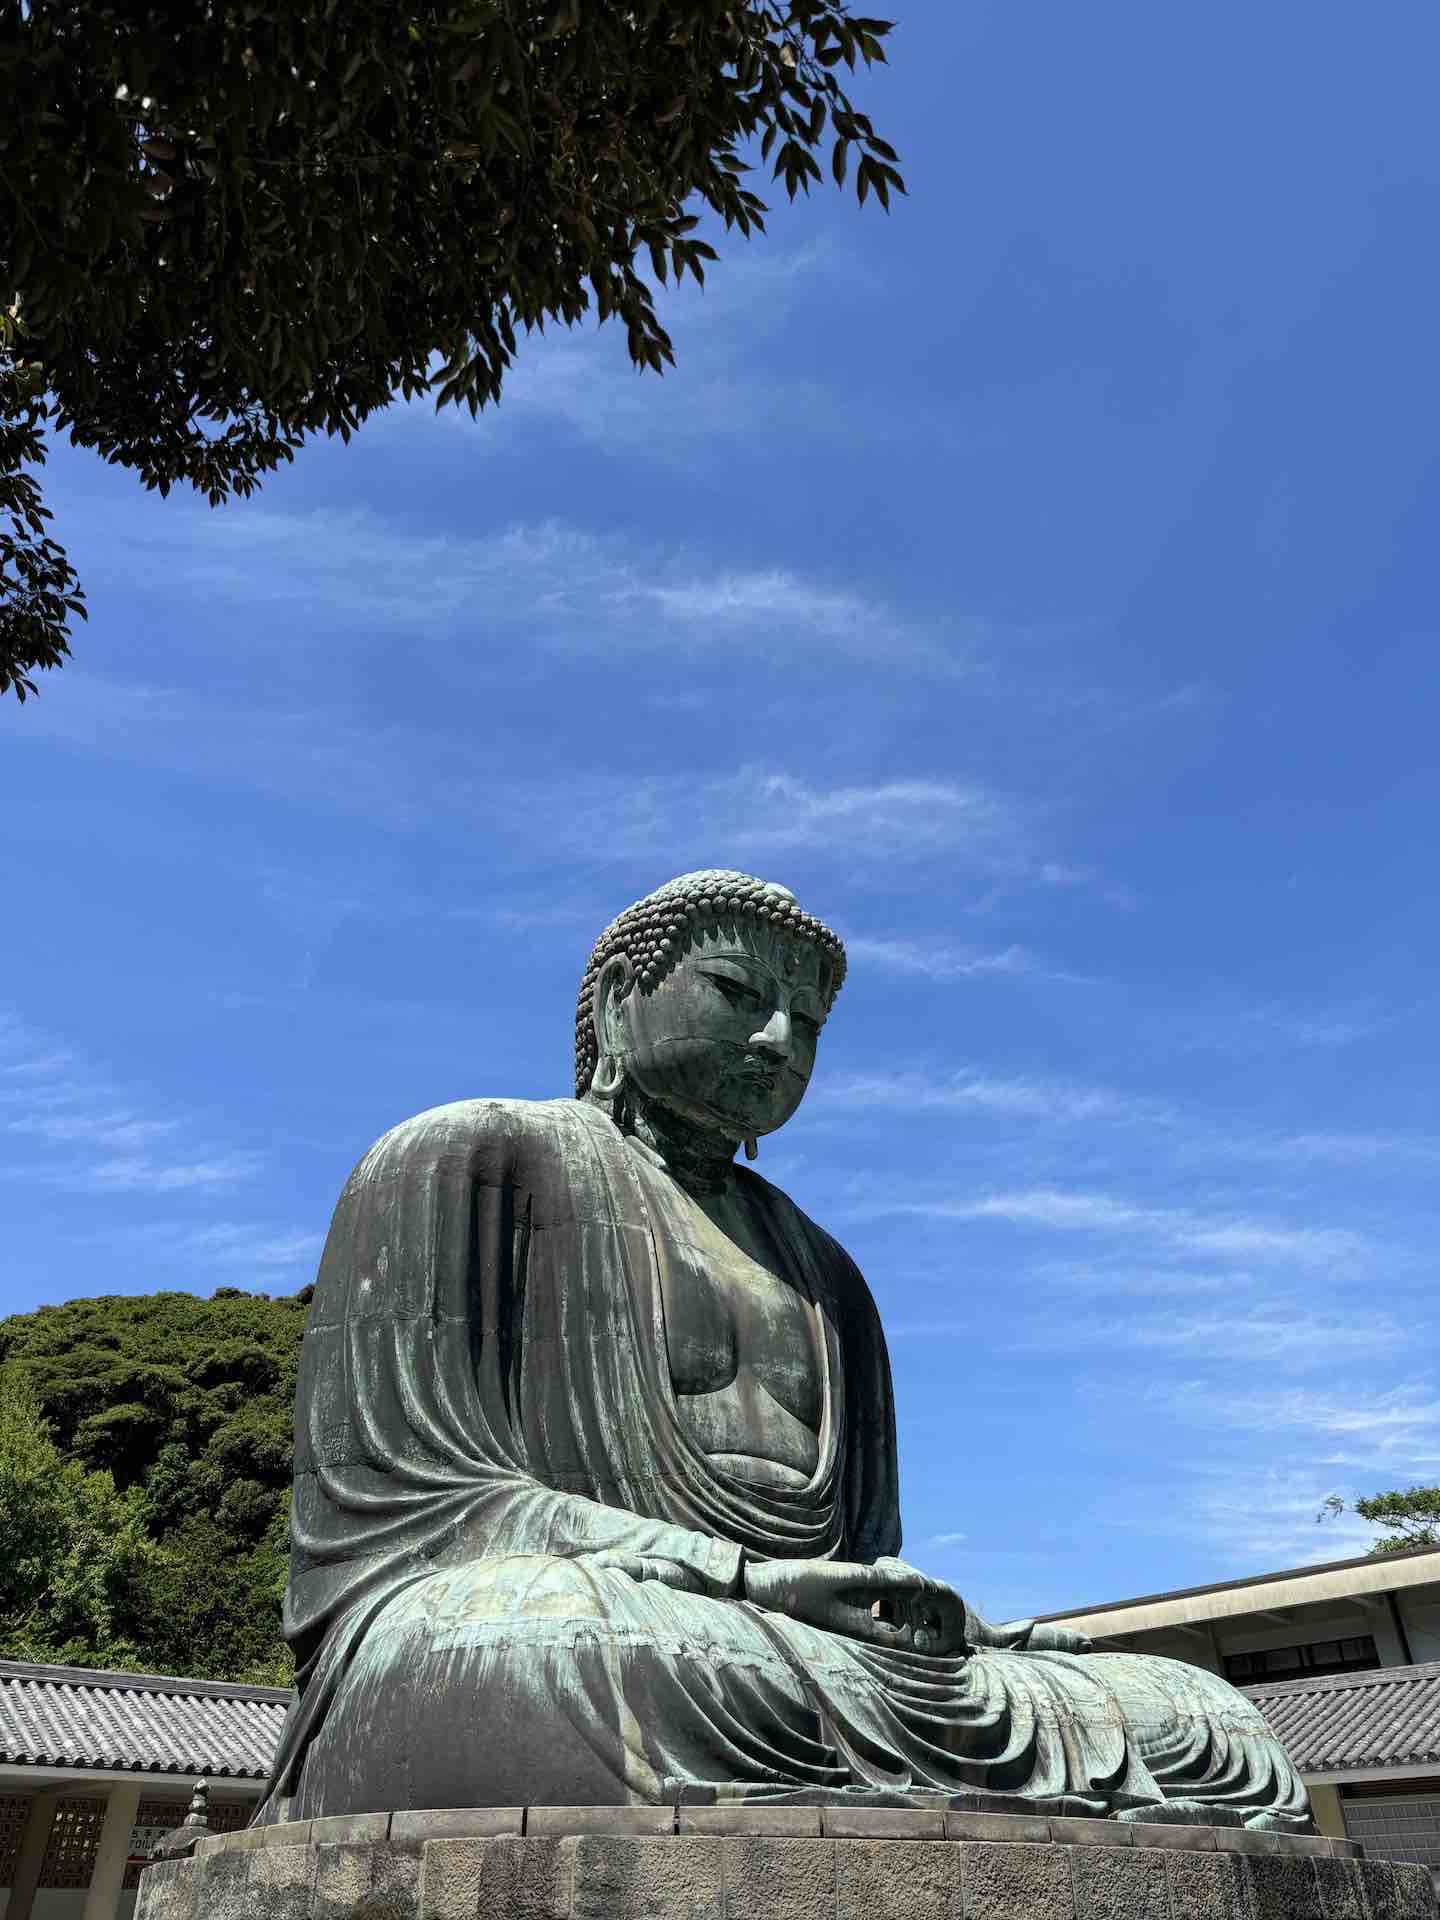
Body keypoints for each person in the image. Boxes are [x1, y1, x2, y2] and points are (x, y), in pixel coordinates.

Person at [257, 870, 1310, 1829]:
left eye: (807, 1024)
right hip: (579, 1614)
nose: (777, 1043)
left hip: (800, 1650)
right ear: (625, 997)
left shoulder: (827, 1271)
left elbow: (858, 1548)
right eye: (738, 995)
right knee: (550, 1651)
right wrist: (742, 1577)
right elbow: (410, 1505)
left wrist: (908, 1615)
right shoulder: (467, 1161)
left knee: (1200, 1715)